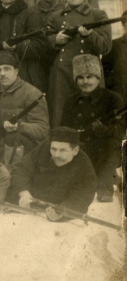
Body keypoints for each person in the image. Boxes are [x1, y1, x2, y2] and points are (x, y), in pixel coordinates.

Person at [45, 0, 112, 126]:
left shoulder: (98, 15)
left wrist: (90, 35)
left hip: (88, 75)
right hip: (62, 75)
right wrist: (55, 40)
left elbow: (106, 47)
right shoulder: (55, 17)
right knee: (61, 120)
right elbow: (44, 43)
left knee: (92, 119)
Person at [62, 54, 123, 202]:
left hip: (104, 148)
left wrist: (106, 131)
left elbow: (121, 131)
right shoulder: (71, 101)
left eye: (89, 77)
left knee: (110, 145)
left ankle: (105, 187)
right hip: (80, 147)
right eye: (80, 77)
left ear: (98, 78)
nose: (85, 82)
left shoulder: (112, 98)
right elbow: (65, 128)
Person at [8, 127, 98, 219]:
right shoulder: (43, 148)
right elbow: (21, 169)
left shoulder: (84, 166)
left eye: (62, 150)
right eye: (53, 149)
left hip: (55, 214)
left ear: (75, 151)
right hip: (27, 208)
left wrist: (62, 212)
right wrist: (23, 192)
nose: (56, 155)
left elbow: (82, 198)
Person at [0, 52, 49, 166]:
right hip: (2, 146)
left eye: (7, 69)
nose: (2, 74)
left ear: (16, 71)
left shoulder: (32, 93)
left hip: (28, 149)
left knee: (12, 138)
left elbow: (42, 130)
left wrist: (18, 126)